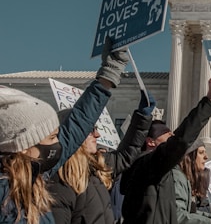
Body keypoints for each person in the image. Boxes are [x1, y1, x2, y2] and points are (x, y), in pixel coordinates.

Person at [0, 37, 128, 224]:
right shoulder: (7, 195)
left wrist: (108, 77)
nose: (58, 143)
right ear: (24, 147)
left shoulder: (35, 177)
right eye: (52, 137)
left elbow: (77, 126)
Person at [120, 75, 211, 224]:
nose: (172, 136)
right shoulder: (149, 165)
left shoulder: (147, 168)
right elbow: (180, 141)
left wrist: (207, 218)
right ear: (151, 142)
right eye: (168, 135)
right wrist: (209, 101)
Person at [48, 89, 155, 224]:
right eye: (91, 130)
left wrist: (142, 117)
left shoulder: (96, 166)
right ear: (72, 135)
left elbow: (124, 155)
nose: (98, 135)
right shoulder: (59, 182)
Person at [173, 140, 211, 224]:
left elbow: (188, 211)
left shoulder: (184, 177)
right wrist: (208, 222)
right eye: (201, 153)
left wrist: (209, 217)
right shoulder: (177, 178)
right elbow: (177, 215)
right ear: (189, 157)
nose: (206, 156)